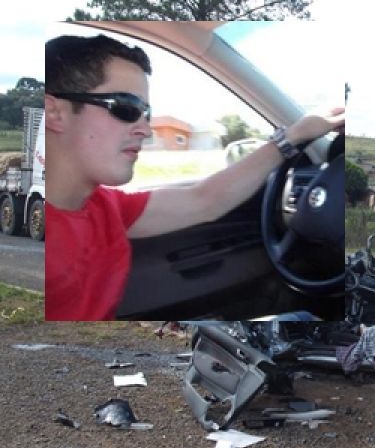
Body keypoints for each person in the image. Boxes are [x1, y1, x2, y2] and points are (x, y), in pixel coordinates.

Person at [45, 34, 345, 320]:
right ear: (54, 112)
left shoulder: (106, 206)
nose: (145, 129)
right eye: (126, 107)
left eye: (145, 113)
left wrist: (294, 135)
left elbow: (205, 200)